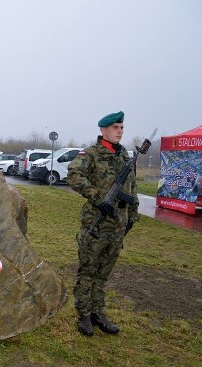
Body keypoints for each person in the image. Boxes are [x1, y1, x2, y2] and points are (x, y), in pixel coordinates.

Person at [66, 111, 138, 337]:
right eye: (116, 127)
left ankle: (98, 312)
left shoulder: (125, 157)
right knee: (88, 271)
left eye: (122, 127)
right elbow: (74, 175)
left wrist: (132, 217)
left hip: (118, 227)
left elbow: (132, 190)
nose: (120, 131)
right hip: (96, 225)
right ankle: (84, 315)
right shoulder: (91, 154)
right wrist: (98, 198)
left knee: (102, 274)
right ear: (103, 130)